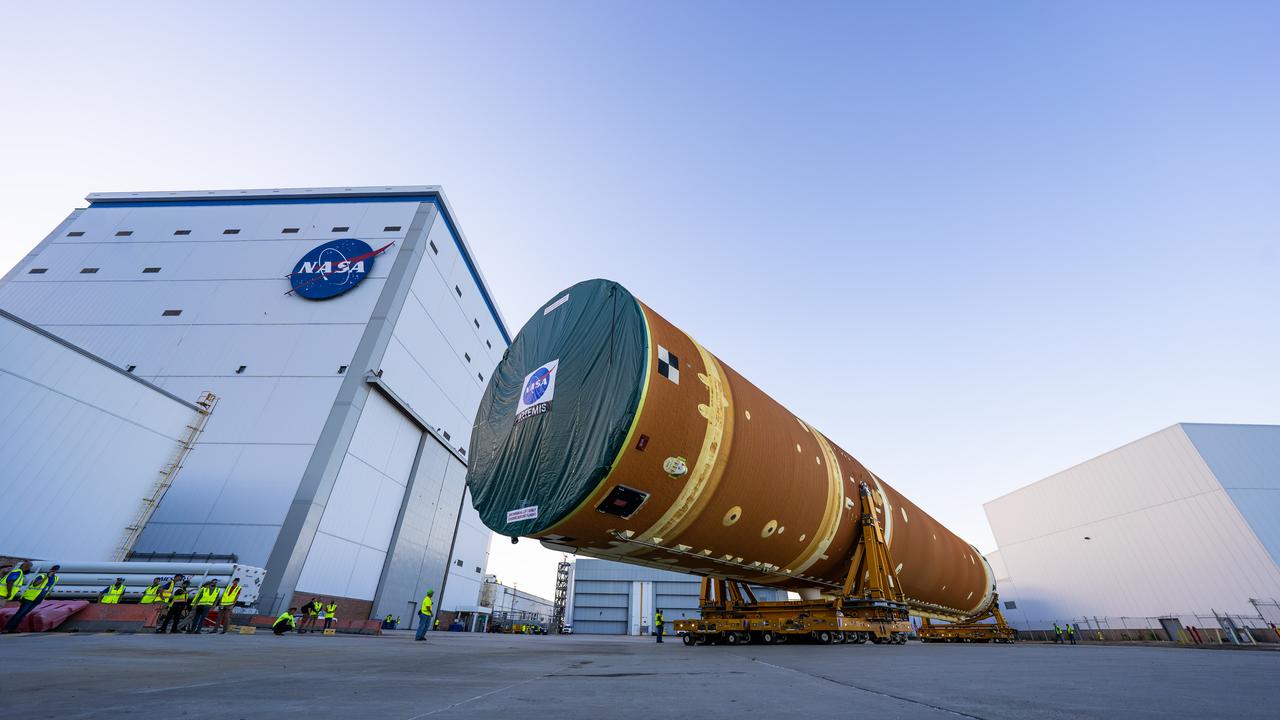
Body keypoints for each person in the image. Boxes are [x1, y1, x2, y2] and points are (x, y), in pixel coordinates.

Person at [2, 564, 59, 633]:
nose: (54, 571)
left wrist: (47, 594)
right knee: (20, 613)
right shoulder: (41, 576)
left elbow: (49, 586)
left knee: (24, 614)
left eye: (55, 570)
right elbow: (35, 584)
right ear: (49, 570)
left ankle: (14, 628)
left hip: (38, 599)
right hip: (29, 598)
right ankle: (7, 628)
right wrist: (46, 577)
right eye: (52, 570)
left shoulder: (55, 578)